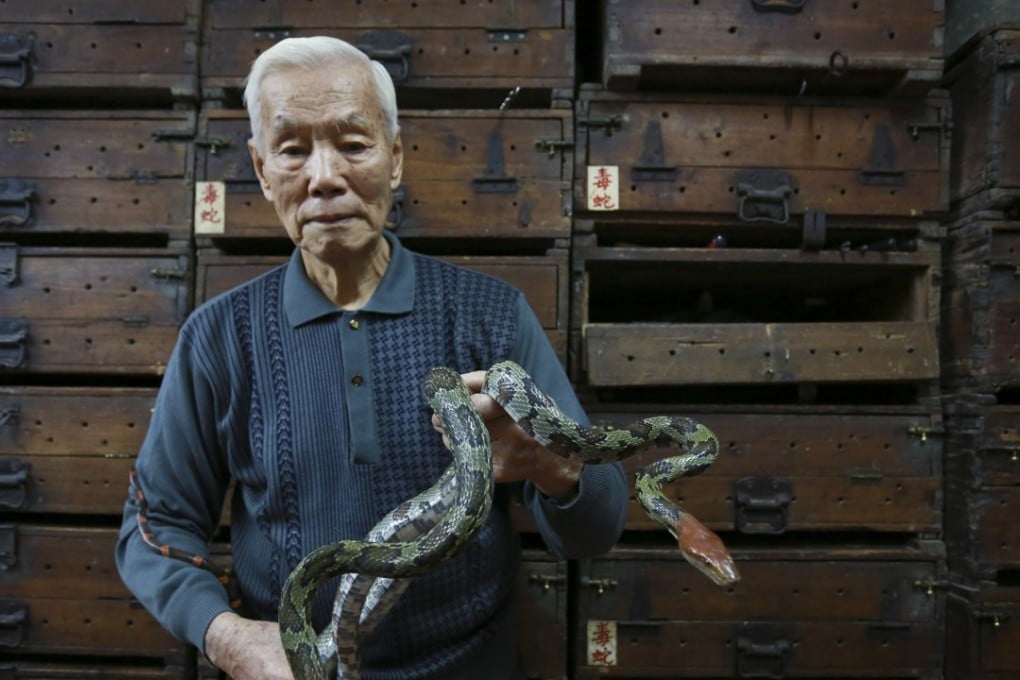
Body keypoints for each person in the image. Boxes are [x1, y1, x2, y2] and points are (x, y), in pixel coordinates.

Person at [116, 36, 628, 680]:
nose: (323, 176)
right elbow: (153, 527)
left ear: (395, 158)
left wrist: (557, 468)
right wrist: (225, 636)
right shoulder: (218, 338)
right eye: (293, 149)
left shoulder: (490, 317)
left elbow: (597, 530)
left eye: (353, 145)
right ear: (259, 167)